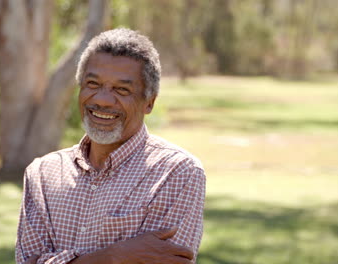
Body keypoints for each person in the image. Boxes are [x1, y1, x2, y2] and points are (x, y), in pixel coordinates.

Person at [15, 28, 206, 264]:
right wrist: (114, 256)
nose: (102, 100)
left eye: (122, 89)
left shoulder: (178, 173)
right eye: (93, 84)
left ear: (149, 102)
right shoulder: (41, 174)